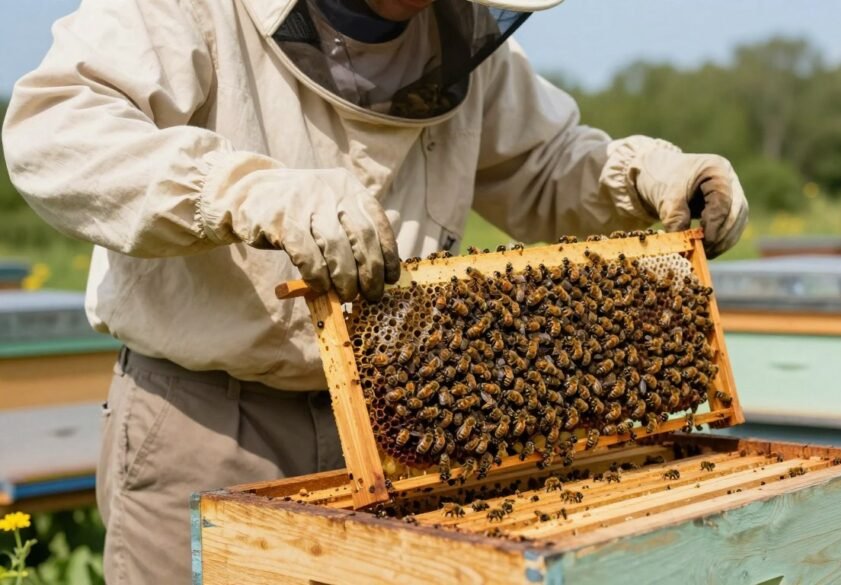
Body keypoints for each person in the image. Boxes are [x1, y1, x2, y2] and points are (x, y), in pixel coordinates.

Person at [2, 0, 748, 581]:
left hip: (404, 427)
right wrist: (244, 191)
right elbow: (54, 133)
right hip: (213, 428)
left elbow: (545, 164)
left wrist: (642, 176)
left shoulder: (458, 32)